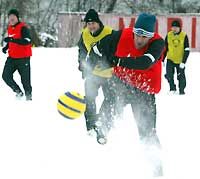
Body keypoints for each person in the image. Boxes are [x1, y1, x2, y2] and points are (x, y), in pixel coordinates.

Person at [92, 13, 165, 177]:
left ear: (151, 36)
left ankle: (157, 169)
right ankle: (102, 129)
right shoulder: (122, 35)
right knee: (111, 100)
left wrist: (117, 61)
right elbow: (97, 48)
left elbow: (145, 62)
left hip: (144, 90)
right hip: (123, 84)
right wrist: (89, 61)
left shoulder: (158, 43)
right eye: (138, 34)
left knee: (147, 133)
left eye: (145, 36)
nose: (139, 40)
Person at [77, 9, 114, 144]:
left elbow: (115, 52)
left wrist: (108, 62)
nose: (91, 26)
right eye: (88, 23)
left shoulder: (109, 33)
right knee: (89, 99)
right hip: (92, 74)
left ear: (98, 22)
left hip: (109, 74)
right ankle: (91, 127)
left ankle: (102, 123)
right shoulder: (85, 34)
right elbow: (81, 51)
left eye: (93, 23)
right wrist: (81, 65)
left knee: (110, 99)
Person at [2, 9, 32, 100]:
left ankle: (28, 97)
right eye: (9, 17)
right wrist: (6, 47)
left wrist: (11, 40)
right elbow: (13, 39)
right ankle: (18, 92)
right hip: (12, 58)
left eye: (13, 17)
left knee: (25, 81)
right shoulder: (10, 28)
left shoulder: (23, 28)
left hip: (23, 59)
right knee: (6, 76)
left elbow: (27, 41)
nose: (11, 19)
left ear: (17, 18)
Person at [164, 20, 190, 94]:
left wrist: (183, 62)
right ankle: (172, 88)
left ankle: (181, 90)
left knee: (181, 76)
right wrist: (162, 59)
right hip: (170, 58)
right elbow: (165, 48)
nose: (174, 29)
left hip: (180, 59)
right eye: (173, 27)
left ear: (179, 28)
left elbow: (187, 49)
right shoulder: (169, 35)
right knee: (169, 74)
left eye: (176, 27)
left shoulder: (184, 35)